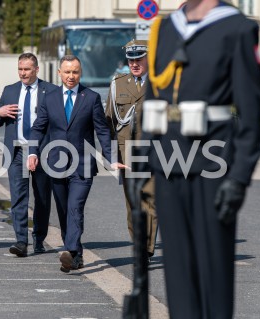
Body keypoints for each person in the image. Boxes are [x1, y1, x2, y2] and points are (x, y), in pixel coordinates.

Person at [142, 1, 260, 318]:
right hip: (168, 163)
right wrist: (142, 164)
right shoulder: (165, 29)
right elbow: (153, 102)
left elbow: (252, 113)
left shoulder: (237, 28)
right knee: (178, 276)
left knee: (214, 275)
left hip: (214, 165)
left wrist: (239, 177)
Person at [27, 55, 126, 272]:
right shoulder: (49, 98)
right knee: (63, 212)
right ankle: (77, 255)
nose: (71, 76)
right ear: (59, 73)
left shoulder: (90, 98)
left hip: (82, 165)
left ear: (80, 73)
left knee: (75, 207)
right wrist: (32, 152)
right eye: (67, 72)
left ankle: (70, 250)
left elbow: (102, 130)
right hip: (56, 164)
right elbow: (38, 128)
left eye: (75, 72)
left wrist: (111, 158)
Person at [0, 53, 57, 257]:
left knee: (42, 199)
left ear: (36, 69)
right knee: (18, 198)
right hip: (16, 152)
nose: (22, 73)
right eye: (20, 69)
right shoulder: (10, 91)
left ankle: (39, 238)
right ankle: (20, 241)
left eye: (27, 69)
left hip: (41, 152)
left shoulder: (51, 91)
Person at [105, 39, 157, 260]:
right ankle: (138, 244)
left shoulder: (159, 85)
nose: (134, 63)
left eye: (139, 59)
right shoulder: (118, 84)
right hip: (127, 152)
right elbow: (108, 121)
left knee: (151, 201)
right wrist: (109, 155)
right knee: (133, 202)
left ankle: (146, 246)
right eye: (131, 59)